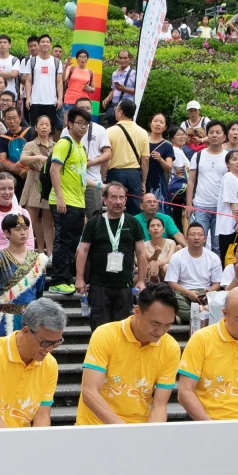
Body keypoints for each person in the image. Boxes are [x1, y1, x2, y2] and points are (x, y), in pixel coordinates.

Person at [75, 283, 180, 425]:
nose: (161, 331)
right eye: (155, 323)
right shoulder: (106, 335)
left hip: (138, 429)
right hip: (96, 426)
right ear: (137, 311)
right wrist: (124, 431)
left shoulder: (170, 347)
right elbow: (90, 392)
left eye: (168, 325)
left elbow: (159, 405)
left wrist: (153, 436)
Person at [174, 287, 238, 420]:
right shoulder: (202, 339)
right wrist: (212, 426)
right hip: (205, 421)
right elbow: (185, 392)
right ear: (225, 313)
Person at [0, 297, 64, 429]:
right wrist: (11, 442)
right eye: (45, 343)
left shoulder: (50, 364)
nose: (50, 349)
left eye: (56, 343)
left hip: (20, 445)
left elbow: (42, 415)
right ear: (26, 331)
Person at [75, 180, 147, 327]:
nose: (118, 201)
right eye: (114, 197)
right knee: (99, 327)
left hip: (124, 285)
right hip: (99, 285)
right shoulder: (94, 222)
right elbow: (82, 251)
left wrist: (141, 280)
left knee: (122, 328)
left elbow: (141, 253)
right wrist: (79, 279)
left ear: (126, 200)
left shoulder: (132, 222)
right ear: (105, 200)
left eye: (121, 197)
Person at [45, 108, 91, 293]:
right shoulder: (65, 143)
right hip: (63, 200)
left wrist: (101, 187)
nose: (83, 127)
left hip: (78, 202)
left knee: (73, 241)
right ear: (69, 124)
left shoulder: (81, 147)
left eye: (86, 124)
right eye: (79, 123)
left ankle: (66, 278)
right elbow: (54, 170)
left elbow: (80, 176)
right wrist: (61, 198)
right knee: (63, 240)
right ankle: (57, 281)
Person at [0, 213, 50, 336]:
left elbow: (39, 291)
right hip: (5, 318)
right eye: (18, 229)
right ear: (7, 233)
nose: (23, 233)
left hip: (30, 318)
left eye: (25, 228)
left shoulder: (38, 260)